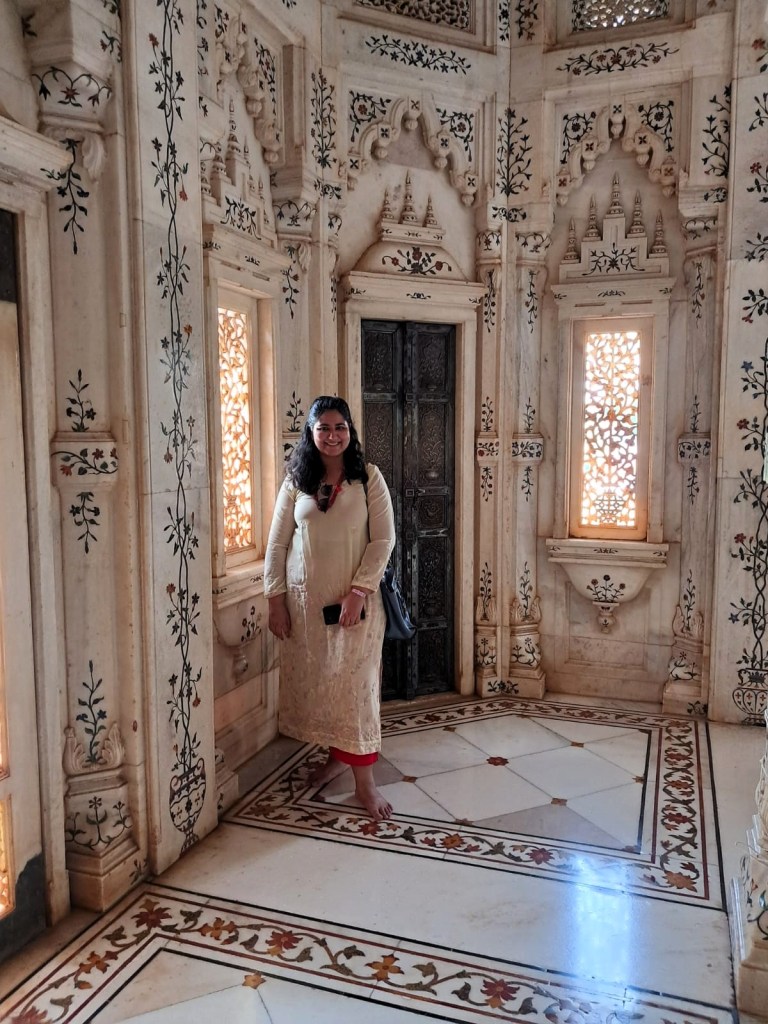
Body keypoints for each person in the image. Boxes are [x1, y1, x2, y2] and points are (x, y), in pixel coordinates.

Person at [264, 395, 396, 821]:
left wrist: (359, 592)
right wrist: (275, 599)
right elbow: (277, 543)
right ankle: (336, 758)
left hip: (354, 605)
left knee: (356, 692)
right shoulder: (295, 482)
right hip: (306, 607)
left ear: (350, 432)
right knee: (326, 685)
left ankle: (366, 786)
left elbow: (383, 540)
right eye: (324, 428)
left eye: (340, 428)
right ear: (310, 432)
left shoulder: (368, 478)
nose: (333, 436)